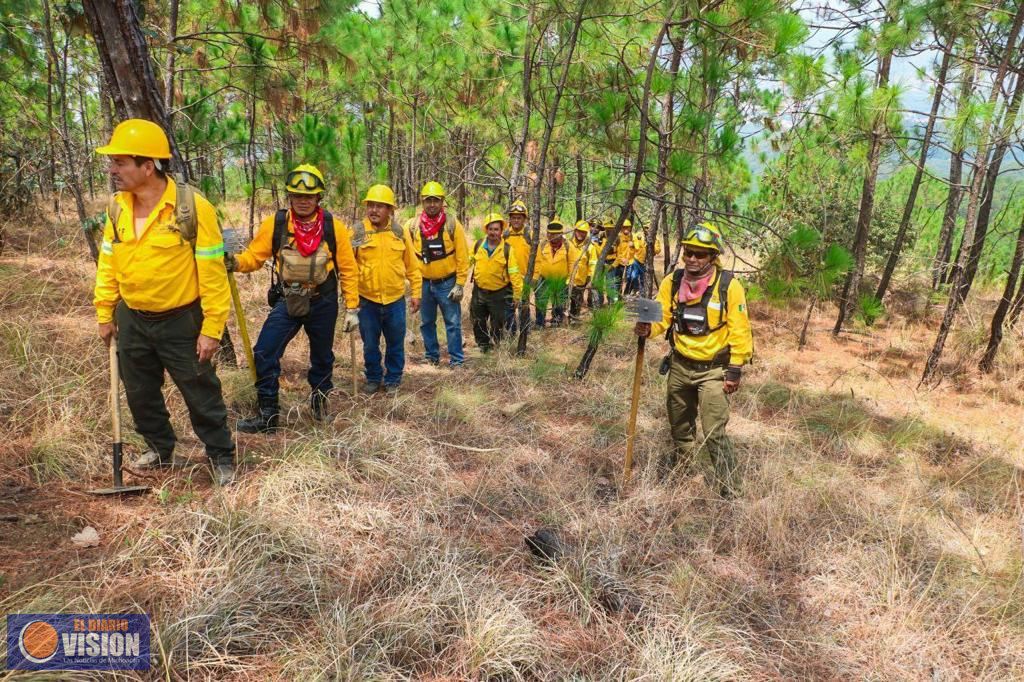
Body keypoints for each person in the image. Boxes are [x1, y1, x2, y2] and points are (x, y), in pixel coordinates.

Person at [93, 118, 236, 486]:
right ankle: (159, 448)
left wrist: (211, 329)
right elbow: (109, 261)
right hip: (133, 318)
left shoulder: (192, 208)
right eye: (113, 162)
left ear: (148, 165)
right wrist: (104, 311)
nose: (112, 170)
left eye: (120, 162)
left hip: (181, 320)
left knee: (200, 392)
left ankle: (220, 454)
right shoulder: (117, 208)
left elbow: (213, 273)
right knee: (140, 392)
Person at [227, 164, 359, 432]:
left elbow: (348, 268)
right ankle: (268, 415)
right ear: (289, 196)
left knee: (322, 357)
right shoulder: (276, 224)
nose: (302, 201)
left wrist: (353, 307)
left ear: (318, 197)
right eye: (297, 195)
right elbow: (254, 257)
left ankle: (320, 409)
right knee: (264, 352)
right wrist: (236, 262)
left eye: (308, 196)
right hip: (289, 299)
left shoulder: (334, 227)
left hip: (323, 299)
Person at [633, 222, 753, 497]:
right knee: (680, 427)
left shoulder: (729, 286)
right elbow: (662, 318)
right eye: (689, 252)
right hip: (679, 366)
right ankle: (684, 476)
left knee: (714, 432)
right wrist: (648, 329)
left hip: (713, 370)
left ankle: (731, 491)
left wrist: (735, 369)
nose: (692, 259)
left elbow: (740, 329)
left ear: (713, 256)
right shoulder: (672, 282)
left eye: (700, 254)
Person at [352, 184, 421, 394]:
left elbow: (413, 266)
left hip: (395, 301)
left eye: (380, 206)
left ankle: (393, 379)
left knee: (395, 343)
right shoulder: (357, 232)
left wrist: (416, 292)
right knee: (370, 344)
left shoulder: (399, 233)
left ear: (390, 210)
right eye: (370, 205)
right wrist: (350, 301)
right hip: (367, 301)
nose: (374, 210)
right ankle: (373, 377)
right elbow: (348, 267)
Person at [405, 181, 468, 368]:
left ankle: (456, 360)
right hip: (423, 283)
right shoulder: (412, 226)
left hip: (447, 283)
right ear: (422, 202)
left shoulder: (452, 225)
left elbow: (463, 256)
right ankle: (432, 356)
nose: (432, 204)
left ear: (442, 202)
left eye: (436, 200)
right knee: (426, 322)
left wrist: (460, 284)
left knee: (453, 322)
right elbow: (407, 257)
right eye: (428, 200)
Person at [470, 213, 524, 351]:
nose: (493, 232)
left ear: (501, 231)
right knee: (478, 320)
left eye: (496, 229)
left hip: (499, 293)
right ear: (486, 230)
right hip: (479, 291)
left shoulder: (507, 250)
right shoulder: (478, 245)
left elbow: (514, 274)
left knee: (498, 323)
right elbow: (467, 262)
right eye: (490, 229)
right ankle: (483, 345)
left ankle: (499, 346)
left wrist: (517, 294)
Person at [534, 216, 579, 327]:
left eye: (555, 234)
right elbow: (537, 262)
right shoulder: (542, 244)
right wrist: (535, 278)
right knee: (540, 301)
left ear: (561, 234)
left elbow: (573, 265)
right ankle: (539, 323)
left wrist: (570, 280)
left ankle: (556, 321)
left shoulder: (569, 246)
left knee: (558, 303)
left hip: (561, 280)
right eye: (550, 233)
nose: (552, 236)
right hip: (543, 279)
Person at [503, 200, 532, 332]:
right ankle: (511, 331)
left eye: (519, 218)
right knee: (509, 307)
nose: (516, 220)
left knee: (524, 307)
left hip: (524, 278)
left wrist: (535, 276)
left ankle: (525, 331)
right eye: (513, 218)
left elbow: (537, 258)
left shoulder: (530, 235)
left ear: (524, 219)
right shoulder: (504, 235)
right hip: (508, 279)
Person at [622, 219, 660, 296]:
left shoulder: (655, 239)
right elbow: (631, 241)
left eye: (649, 228)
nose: (647, 230)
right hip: (636, 260)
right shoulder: (638, 235)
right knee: (633, 276)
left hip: (646, 263)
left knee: (644, 279)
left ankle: (642, 293)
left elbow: (657, 250)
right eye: (646, 228)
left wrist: (651, 245)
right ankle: (634, 290)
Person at [568, 219, 592, 321]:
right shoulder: (567, 244)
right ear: (575, 231)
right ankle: (558, 319)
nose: (580, 234)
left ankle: (574, 318)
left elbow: (593, 264)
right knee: (561, 301)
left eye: (583, 232)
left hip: (580, 280)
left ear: (586, 233)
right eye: (579, 231)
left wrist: (591, 279)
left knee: (576, 301)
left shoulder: (590, 247)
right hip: (567, 279)